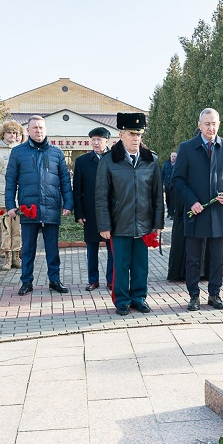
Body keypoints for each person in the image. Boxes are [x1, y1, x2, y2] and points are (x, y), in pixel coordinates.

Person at [172, 108, 223, 311]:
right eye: (207, 124)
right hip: (196, 212)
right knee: (193, 259)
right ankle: (194, 296)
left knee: (217, 259)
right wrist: (192, 201)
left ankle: (214, 294)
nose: (211, 128)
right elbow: (178, 179)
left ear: (218, 124)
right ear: (200, 125)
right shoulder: (187, 148)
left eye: (214, 124)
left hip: (219, 213)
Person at [94, 113, 164, 315]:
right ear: (121, 134)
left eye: (139, 134)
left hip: (144, 224)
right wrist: (104, 225)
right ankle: (122, 300)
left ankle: (139, 297)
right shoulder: (109, 161)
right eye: (132, 134)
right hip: (119, 224)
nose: (136, 139)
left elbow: (157, 195)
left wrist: (158, 223)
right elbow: (101, 196)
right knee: (121, 265)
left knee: (141, 265)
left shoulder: (151, 160)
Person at [5, 115, 74, 296]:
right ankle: (26, 281)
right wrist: (10, 205)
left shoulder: (56, 153)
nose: (38, 131)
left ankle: (54, 280)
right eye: (35, 128)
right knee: (28, 249)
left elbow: (65, 181)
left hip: (51, 207)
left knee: (52, 248)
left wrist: (68, 203)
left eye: (41, 127)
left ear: (46, 130)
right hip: (29, 209)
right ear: (28, 130)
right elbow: (10, 181)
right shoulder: (18, 152)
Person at [73, 127, 114, 291]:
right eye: (93, 140)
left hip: (111, 212)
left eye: (99, 140)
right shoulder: (82, 161)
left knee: (113, 248)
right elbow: (77, 190)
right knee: (91, 248)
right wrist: (79, 213)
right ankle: (93, 280)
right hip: (90, 212)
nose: (96, 143)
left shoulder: (115, 159)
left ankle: (111, 279)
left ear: (107, 141)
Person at [0, 120, 23, 271]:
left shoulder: (21, 149)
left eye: (14, 132)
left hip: (19, 196)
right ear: (2, 134)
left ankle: (16, 255)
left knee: (18, 229)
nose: (12, 135)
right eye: (9, 132)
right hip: (2, 196)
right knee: (6, 228)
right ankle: (7, 256)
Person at [162, 152, 177, 219]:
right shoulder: (165, 164)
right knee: (167, 199)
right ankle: (169, 212)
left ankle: (172, 213)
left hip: (174, 186)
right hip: (167, 185)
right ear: (170, 156)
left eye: (174, 156)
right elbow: (162, 174)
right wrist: (161, 184)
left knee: (173, 200)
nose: (173, 158)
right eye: (172, 156)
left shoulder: (178, 164)